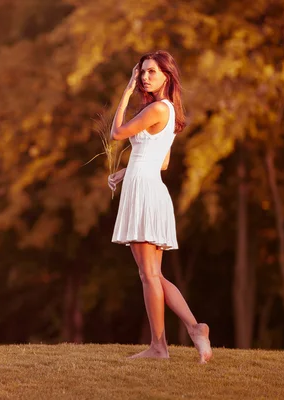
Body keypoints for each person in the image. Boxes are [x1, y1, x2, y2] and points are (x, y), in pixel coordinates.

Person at [107, 50, 212, 363]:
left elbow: (116, 134)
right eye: (142, 72)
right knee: (152, 274)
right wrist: (126, 170)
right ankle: (195, 329)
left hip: (144, 192)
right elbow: (162, 161)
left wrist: (125, 94)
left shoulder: (157, 109)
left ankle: (159, 347)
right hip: (147, 185)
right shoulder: (168, 111)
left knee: (149, 275)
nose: (144, 77)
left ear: (167, 75)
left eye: (151, 71)